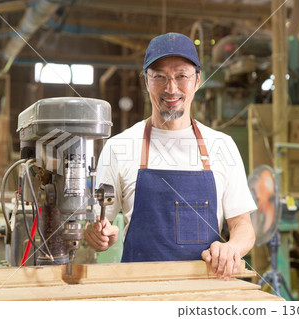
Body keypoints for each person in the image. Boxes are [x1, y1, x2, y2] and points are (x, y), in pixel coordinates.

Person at [85, 32, 256, 280]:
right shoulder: (118, 147)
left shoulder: (222, 146)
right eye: (159, 77)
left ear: (197, 80)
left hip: (204, 294)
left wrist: (231, 248)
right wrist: (99, 234)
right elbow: (101, 224)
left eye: (181, 76)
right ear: (146, 82)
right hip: (138, 292)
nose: (171, 88)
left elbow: (243, 227)